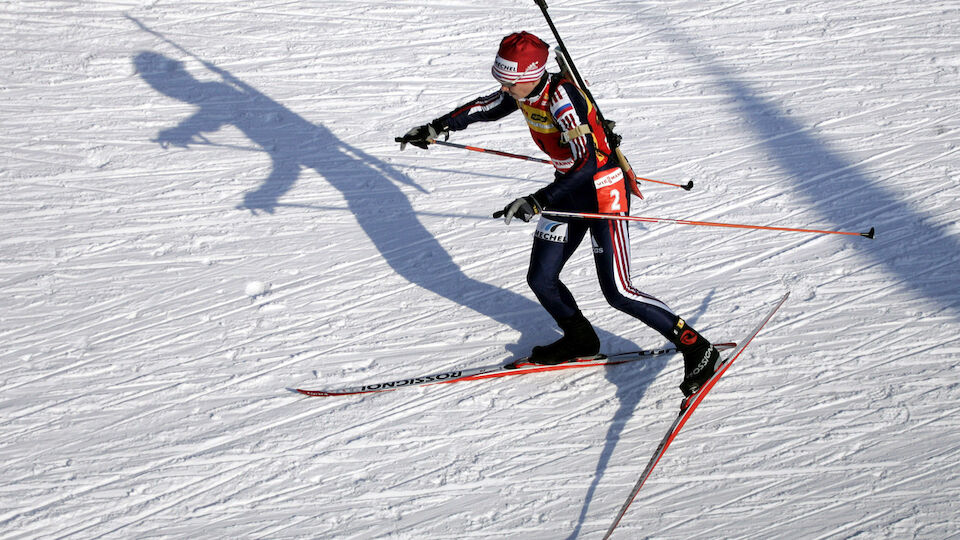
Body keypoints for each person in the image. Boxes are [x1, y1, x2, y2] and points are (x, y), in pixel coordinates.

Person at [398, 32, 720, 396]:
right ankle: (580, 338)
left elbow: (588, 161)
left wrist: (538, 200)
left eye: (509, 81)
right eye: (501, 80)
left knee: (618, 291)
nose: (503, 88)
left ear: (532, 74)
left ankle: (697, 347)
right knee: (541, 277)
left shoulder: (563, 100)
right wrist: (437, 127)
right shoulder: (523, 92)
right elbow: (484, 107)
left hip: (602, 193)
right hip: (566, 190)